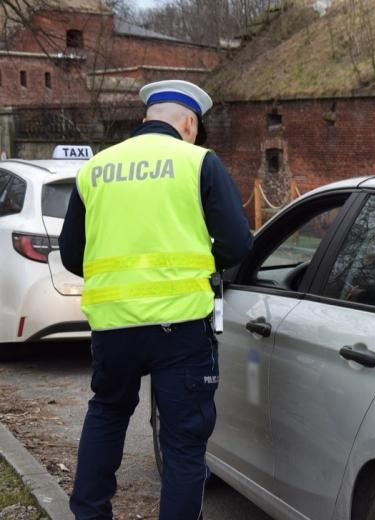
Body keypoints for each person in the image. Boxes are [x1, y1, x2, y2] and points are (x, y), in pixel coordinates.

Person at [59, 79, 252, 519]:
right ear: (189, 122)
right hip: (180, 326)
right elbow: (238, 244)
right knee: (183, 445)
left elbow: (73, 254)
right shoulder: (198, 161)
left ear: (147, 118)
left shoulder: (96, 168)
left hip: (114, 326)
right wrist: (199, 264)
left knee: (107, 415)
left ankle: (89, 514)